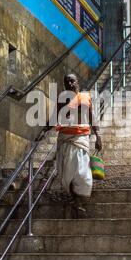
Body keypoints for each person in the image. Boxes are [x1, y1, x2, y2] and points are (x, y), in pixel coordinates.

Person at [38, 74, 102, 215]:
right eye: (66, 81)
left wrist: (98, 136)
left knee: (81, 171)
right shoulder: (63, 99)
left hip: (81, 138)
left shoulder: (85, 97)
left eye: (72, 81)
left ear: (78, 82)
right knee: (67, 173)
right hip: (65, 138)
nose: (69, 83)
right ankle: (75, 200)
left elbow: (93, 118)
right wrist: (44, 130)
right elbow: (54, 117)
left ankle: (78, 200)